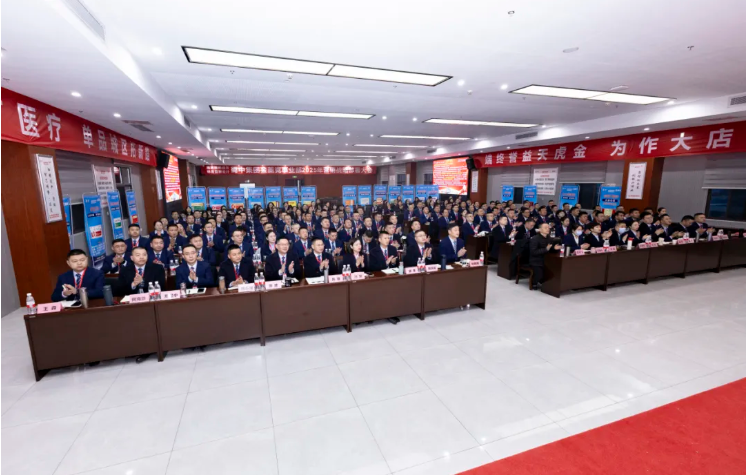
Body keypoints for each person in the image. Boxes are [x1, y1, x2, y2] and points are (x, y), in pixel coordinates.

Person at [529, 223, 562, 290]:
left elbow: (550, 249)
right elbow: (533, 252)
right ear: (540, 229)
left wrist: (554, 248)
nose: (548, 229)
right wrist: (546, 249)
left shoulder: (549, 238)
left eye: (548, 227)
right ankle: (534, 282)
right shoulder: (535, 239)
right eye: (545, 228)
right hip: (536, 260)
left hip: (547, 260)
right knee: (539, 275)